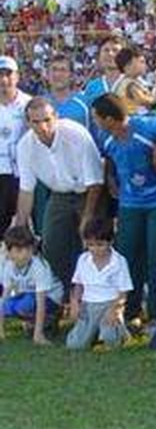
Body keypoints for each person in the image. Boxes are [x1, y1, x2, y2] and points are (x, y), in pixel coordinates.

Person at [91, 93, 156, 330]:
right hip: (130, 202)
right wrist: (110, 177)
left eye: (96, 118)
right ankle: (130, 311)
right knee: (128, 257)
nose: (95, 123)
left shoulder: (147, 125)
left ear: (109, 118)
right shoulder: (106, 137)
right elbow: (108, 157)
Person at [14, 98, 103, 295]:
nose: (42, 127)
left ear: (56, 117)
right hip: (59, 195)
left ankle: (93, 297)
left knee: (92, 243)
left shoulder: (76, 134)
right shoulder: (25, 146)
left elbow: (95, 181)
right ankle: (59, 297)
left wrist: (87, 217)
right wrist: (19, 228)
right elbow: (26, 191)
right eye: (35, 122)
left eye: (47, 120)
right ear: (28, 123)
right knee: (51, 246)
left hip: (89, 194)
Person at [65, 216, 132, 350]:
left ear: (110, 242)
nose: (95, 249)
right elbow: (78, 284)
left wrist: (115, 309)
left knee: (111, 339)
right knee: (75, 345)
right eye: (90, 245)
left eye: (100, 245)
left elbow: (123, 292)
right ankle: (93, 333)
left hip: (109, 304)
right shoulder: (83, 260)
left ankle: (120, 333)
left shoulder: (119, 261)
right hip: (88, 305)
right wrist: (75, 303)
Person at [0, 225, 63, 346]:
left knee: (25, 305)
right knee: (7, 306)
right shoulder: (8, 266)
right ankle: (32, 321)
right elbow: (4, 297)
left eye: (28, 249)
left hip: (50, 298)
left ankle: (47, 320)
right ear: (9, 253)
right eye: (19, 250)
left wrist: (38, 335)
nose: (24, 254)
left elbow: (41, 302)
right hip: (29, 295)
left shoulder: (38, 267)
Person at [0, 56, 32, 238]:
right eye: (0, 75)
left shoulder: (28, 103)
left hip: (21, 174)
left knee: (21, 226)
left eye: (8, 74)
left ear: (17, 77)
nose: (4, 80)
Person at [82, 35, 124, 104]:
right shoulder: (92, 87)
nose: (110, 54)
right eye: (106, 50)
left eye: (115, 50)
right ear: (99, 56)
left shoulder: (136, 84)